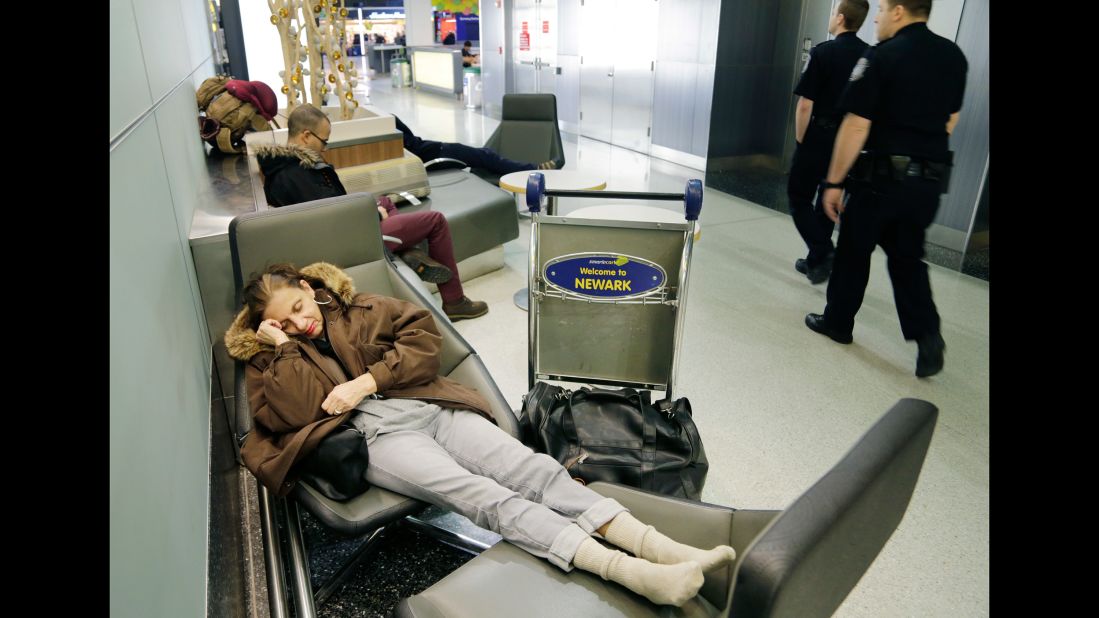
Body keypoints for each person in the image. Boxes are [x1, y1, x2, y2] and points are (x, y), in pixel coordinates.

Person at [225, 262, 738, 607]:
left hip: (430, 406)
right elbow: (289, 415)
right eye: (283, 323)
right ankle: (632, 575)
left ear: (309, 290)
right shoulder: (270, 360)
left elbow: (425, 341)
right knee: (484, 497)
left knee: (533, 468)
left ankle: (662, 549)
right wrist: (283, 349)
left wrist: (368, 380)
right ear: (267, 329)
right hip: (376, 438)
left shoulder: (366, 309)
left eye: (298, 307)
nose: (299, 323)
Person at [805, 0, 967, 378]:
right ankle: (928, 338)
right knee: (908, 256)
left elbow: (857, 125)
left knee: (853, 252)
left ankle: (838, 323)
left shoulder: (882, 57)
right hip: (928, 181)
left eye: (881, 9)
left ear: (898, 11)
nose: (876, 17)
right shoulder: (953, 56)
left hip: (880, 180)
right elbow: (950, 120)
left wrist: (833, 182)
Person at [254, 104, 489, 321]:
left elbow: (328, 207)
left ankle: (407, 251)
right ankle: (455, 301)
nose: (325, 147)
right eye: (324, 142)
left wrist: (371, 208)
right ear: (306, 135)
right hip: (348, 238)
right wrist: (372, 215)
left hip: (347, 226)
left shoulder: (287, 168)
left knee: (384, 200)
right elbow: (331, 219)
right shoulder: (296, 174)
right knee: (436, 221)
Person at [787, 1, 869, 285]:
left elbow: (804, 105)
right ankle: (815, 261)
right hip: (851, 141)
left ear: (842, 18)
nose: (832, 17)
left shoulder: (824, 52)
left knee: (798, 197)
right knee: (828, 199)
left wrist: (802, 141)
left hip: (819, 136)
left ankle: (822, 251)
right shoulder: (869, 56)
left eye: (834, 13)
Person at [393, 114, 560, 175]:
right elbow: (412, 138)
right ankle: (533, 168)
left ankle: (522, 167)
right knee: (486, 155)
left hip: (435, 151)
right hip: (436, 154)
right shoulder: (390, 124)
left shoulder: (387, 128)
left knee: (484, 154)